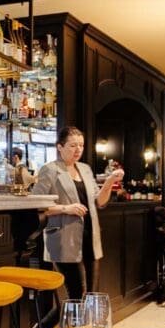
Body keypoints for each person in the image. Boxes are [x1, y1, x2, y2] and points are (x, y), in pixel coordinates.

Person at [33, 125, 124, 300]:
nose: (78, 150)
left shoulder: (85, 169)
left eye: (81, 145)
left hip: (90, 237)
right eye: (73, 145)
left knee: (91, 295)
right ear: (60, 147)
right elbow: (37, 204)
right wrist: (65, 208)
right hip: (64, 239)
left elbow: (100, 201)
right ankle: (49, 327)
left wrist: (110, 180)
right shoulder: (50, 170)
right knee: (77, 294)